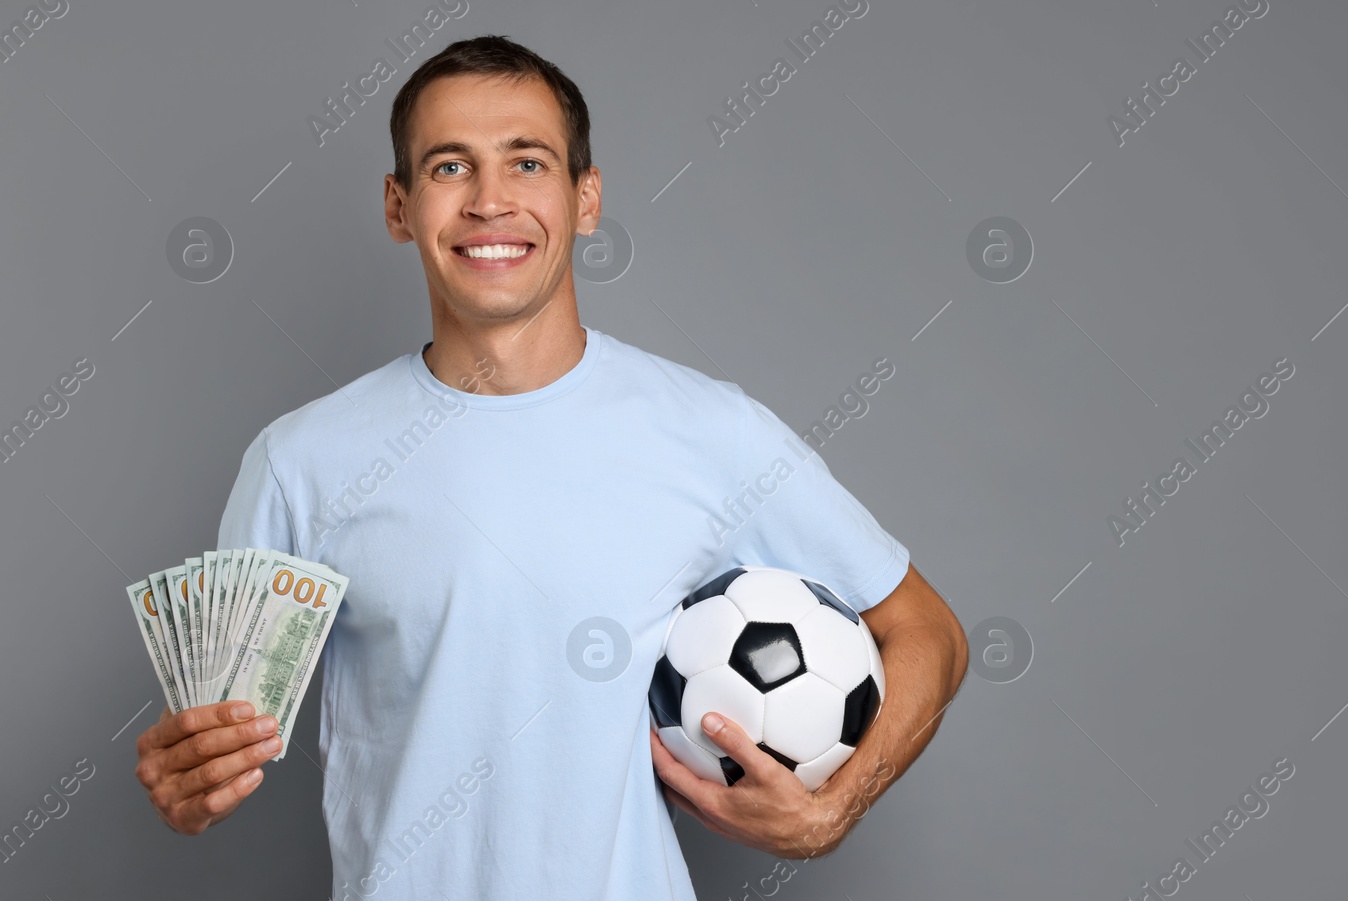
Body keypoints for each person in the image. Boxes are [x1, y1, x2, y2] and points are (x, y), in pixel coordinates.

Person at [133, 34, 967, 900]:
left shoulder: (713, 433)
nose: (491, 201)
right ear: (398, 205)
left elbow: (928, 633)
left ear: (586, 197)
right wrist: (187, 783)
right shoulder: (299, 462)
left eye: (527, 163)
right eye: (450, 167)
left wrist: (836, 809)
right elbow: (213, 741)